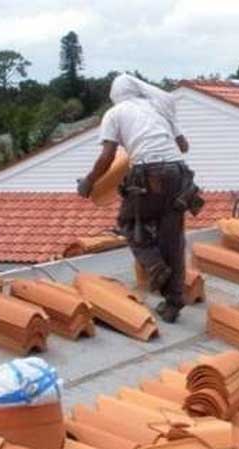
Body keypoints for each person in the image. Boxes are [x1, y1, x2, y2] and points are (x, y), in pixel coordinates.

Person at [79, 74, 202, 322]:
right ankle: (173, 302)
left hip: (150, 173)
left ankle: (155, 267)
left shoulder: (115, 113)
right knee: (173, 240)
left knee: (128, 223)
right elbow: (184, 146)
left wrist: (88, 182)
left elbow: (107, 157)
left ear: (115, 96)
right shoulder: (157, 107)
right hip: (179, 176)